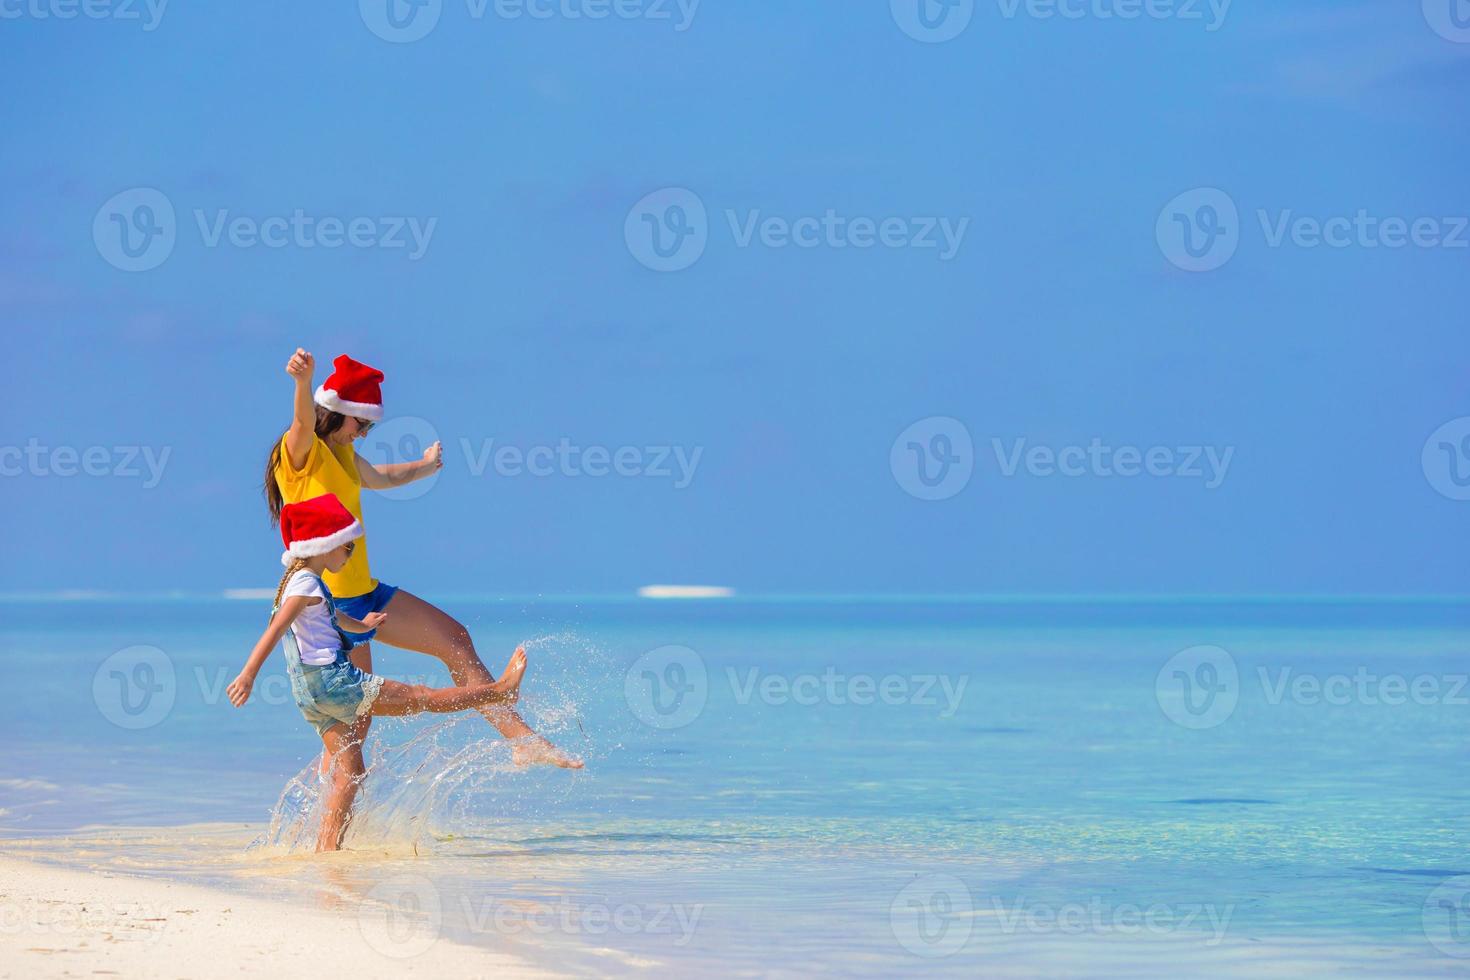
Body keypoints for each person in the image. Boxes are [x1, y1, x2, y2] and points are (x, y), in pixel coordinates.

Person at [261, 348, 581, 773]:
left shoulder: (343, 455)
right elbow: (303, 421)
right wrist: (303, 382)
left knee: (455, 639)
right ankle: (323, 833)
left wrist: (426, 467)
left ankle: (522, 741)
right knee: (352, 739)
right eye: (363, 422)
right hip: (332, 606)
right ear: (338, 411)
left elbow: (381, 477)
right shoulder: (301, 454)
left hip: (366, 594)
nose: (365, 432)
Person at [228, 493, 528, 851]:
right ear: (325, 545)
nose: (350, 554)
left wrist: (362, 623)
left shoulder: (300, 581)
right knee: (422, 697)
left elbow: (331, 618)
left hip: (310, 697)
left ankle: (327, 849)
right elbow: (276, 629)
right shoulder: (307, 583)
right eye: (347, 547)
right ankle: (499, 691)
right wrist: (248, 674)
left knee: (349, 771)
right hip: (336, 683)